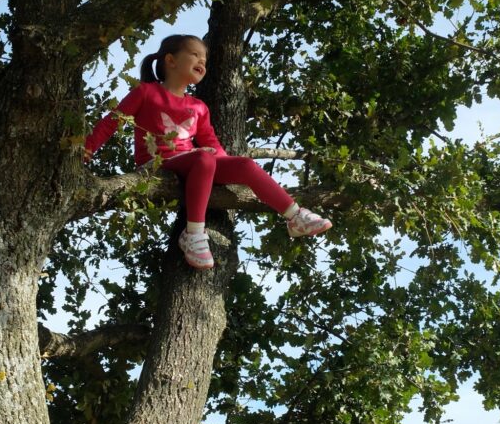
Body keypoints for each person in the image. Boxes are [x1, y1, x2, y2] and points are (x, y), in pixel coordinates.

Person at [84, 34, 332, 269]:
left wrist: (227, 167)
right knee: (203, 157)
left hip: (194, 163)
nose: (202, 61)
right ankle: (193, 234)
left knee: (243, 164)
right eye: (194, 55)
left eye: (204, 59)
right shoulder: (147, 92)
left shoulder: (198, 107)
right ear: (170, 61)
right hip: (157, 163)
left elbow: (211, 143)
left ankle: (295, 216)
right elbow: (112, 121)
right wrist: (87, 150)